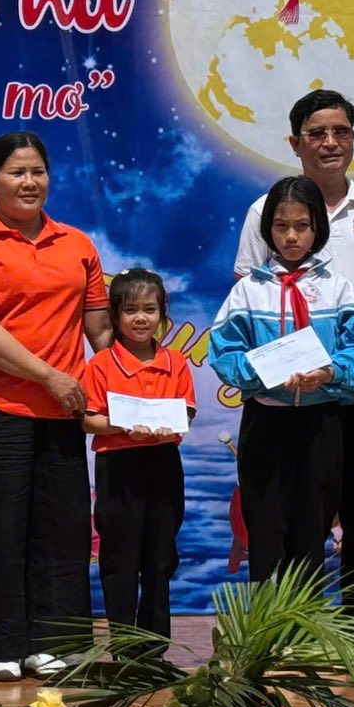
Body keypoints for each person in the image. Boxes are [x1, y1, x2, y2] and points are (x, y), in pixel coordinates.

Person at [234, 90, 354, 619]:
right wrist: (277, 372)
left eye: (341, 132)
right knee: (291, 514)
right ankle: (288, 626)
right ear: (296, 143)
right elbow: (248, 299)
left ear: (353, 138)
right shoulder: (264, 210)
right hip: (290, 396)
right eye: (317, 133)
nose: (330, 143)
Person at [0, 132, 111, 682]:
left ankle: (56, 642)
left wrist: (132, 381)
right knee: (0, 528)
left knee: (63, 530)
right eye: (16, 172)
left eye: (37, 171)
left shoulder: (78, 243)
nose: (28, 182)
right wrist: (48, 376)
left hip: (64, 410)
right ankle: (0, 645)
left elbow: (99, 330)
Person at [213, 177, 354, 585]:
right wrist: (262, 372)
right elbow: (224, 352)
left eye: (301, 226)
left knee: (312, 528)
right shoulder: (249, 291)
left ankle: (305, 623)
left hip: (321, 424)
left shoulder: (337, 287)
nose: (291, 237)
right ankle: (268, 622)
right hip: (266, 423)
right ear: (267, 229)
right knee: (265, 529)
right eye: (281, 226)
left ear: (317, 228)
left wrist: (330, 373)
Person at [81, 269, 196, 638]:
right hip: (118, 468)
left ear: (163, 313)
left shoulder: (176, 362)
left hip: (163, 465)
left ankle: (154, 647)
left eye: (150, 309)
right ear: (115, 316)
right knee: (120, 558)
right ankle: (124, 646)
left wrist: (168, 426)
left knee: (160, 558)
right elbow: (88, 420)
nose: (141, 318)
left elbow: (185, 414)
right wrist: (121, 425)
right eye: (131, 310)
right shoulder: (101, 364)